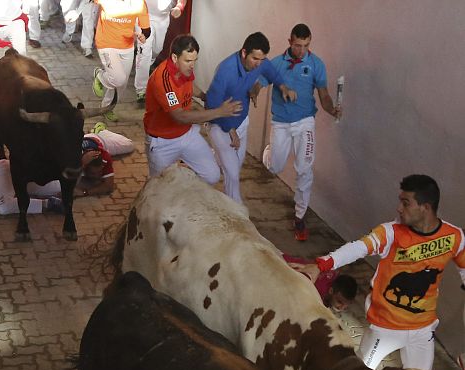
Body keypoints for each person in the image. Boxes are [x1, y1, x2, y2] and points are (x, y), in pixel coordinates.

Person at [315, 174, 465, 370]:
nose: (399, 208)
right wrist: (322, 264)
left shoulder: (454, 237)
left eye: (405, 202)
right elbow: (359, 248)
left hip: (422, 333)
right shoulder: (390, 233)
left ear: (425, 207)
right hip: (382, 330)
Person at [256, 23, 342, 241]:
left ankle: (300, 217)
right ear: (289, 42)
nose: (301, 50)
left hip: (305, 122)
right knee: (274, 166)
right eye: (297, 45)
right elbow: (259, 83)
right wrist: (253, 92)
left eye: (306, 45)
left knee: (304, 169)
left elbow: (323, 94)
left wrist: (332, 109)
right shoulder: (276, 64)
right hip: (281, 123)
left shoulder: (316, 64)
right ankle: (269, 151)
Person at [0, 126, 133, 210]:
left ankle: (49, 206)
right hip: (8, 179)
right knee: (56, 186)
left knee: (3, 207)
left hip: (2, 171)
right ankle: (53, 202)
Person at [205, 31, 296, 204]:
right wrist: (229, 130)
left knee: (234, 167)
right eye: (255, 59)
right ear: (244, 52)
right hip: (219, 125)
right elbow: (211, 104)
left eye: (262, 59)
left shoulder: (261, 63)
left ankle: (210, 160)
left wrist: (283, 87)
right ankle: (238, 215)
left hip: (242, 123)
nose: (258, 64)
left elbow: (273, 74)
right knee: (232, 172)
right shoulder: (226, 70)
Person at [144, 34, 242, 182]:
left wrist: (204, 96)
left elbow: (190, 85)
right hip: (162, 142)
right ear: (175, 58)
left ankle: (185, 189)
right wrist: (219, 112)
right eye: (188, 61)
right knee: (158, 187)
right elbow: (180, 116)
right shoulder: (163, 80)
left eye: (195, 60)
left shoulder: (184, 69)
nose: (192, 65)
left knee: (212, 176)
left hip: (186, 134)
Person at [92, 0, 150, 120]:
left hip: (126, 46)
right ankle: (99, 75)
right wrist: (75, 12)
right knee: (118, 79)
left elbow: (146, 29)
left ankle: (107, 107)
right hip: (106, 43)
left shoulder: (139, 3)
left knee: (121, 84)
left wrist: (143, 36)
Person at [134, 0, 184, 103]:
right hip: (144, 16)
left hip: (162, 19)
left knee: (157, 50)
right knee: (144, 52)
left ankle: (147, 64)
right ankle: (141, 89)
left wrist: (179, 7)